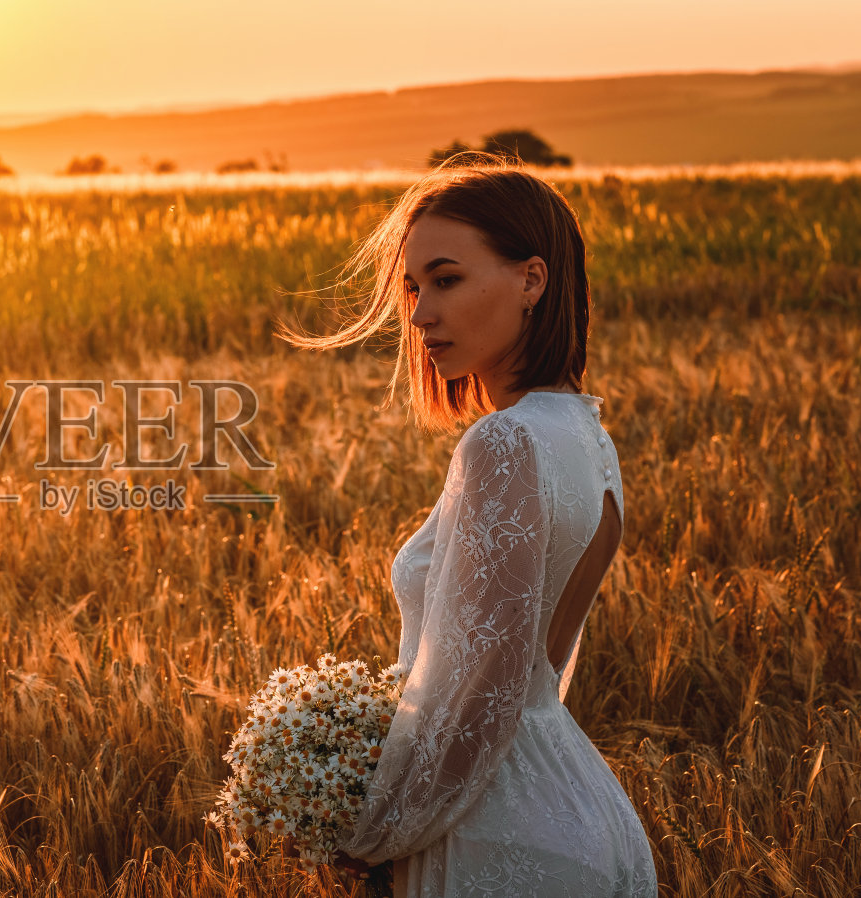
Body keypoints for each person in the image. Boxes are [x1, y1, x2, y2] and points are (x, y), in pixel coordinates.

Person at [277, 154, 658, 895]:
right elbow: (531, 674)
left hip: (495, 833)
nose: (419, 314)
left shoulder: (505, 442)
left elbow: (483, 690)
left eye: (446, 280)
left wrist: (376, 830)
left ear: (531, 280)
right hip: (581, 810)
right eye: (414, 288)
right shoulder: (588, 439)